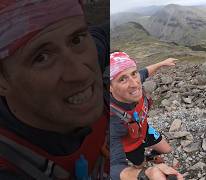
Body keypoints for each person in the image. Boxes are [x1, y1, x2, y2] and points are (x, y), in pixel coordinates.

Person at [0, 0, 109, 179]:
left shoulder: (92, 52)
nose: (80, 73)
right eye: (41, 58)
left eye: (76, 39)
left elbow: (103, 34)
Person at [107, 51, 184, 180]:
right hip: (132, 146)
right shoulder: (112, 120)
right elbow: (113, 166)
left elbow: (145, 71)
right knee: (140, 164)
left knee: (167, 149)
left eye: (133, 73)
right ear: (109, 87)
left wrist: (162, 63)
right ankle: (143, 162)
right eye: (122, 79)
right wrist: (144, 174)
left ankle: (149, 156)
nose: (135, 84)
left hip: (145, 129)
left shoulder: (136, 80)